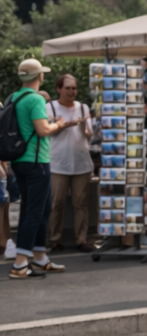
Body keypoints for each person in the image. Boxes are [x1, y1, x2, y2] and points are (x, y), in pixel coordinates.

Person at [7, 59, 73, 279]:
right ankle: (20, 264)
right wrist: (59, 125)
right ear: (40, 76)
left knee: (42, 208)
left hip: (19, 160)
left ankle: (39, 257)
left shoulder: (14, 97)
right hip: (37, 161)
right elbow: (43, 130)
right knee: (34, 212)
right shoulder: (35, 99)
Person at [45, 73, 93, 253]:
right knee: (56, 203)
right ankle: (54, 239)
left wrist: (84, 127)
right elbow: (48, 132)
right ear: (59, 89)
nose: (72, 92)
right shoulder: (50, 107)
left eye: (74, 88)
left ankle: (82, 239)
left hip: (82, 162)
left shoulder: (83, 107)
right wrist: (63, 125)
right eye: (68, 88)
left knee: (81, 204)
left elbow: (89, 134)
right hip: (58, 163)